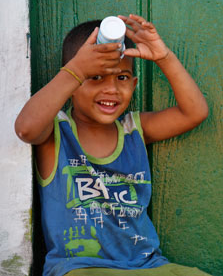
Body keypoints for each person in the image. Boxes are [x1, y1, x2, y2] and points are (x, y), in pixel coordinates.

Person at [15, 15, 210, 276]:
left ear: (133, 84)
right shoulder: (57, 133)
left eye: (121, 78)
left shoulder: (133, 131)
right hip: (80, 268)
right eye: (95, 77)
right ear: (71, 84)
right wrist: (76, 70)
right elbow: (26, 128)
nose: (111, 89)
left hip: (146, 266)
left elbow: (194, 112)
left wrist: (164, 57)